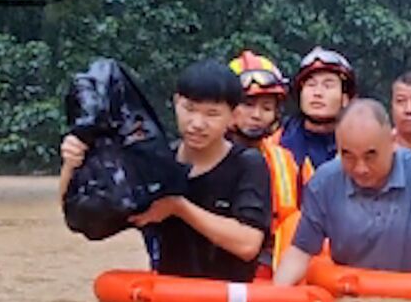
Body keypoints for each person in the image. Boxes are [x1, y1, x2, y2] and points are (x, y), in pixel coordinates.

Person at [60, 60, 271, 281]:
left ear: (233, 116)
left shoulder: (248, 164)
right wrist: (72, 164)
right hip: (166, 297)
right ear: (176, 103)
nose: (197, 123)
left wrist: (178, 207)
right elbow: (82, 222)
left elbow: (248, 244)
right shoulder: (154, 160)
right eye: (189, 109)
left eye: (212, 114)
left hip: (227, 298)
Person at [273, 99, 411, 292]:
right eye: (348, 155)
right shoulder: (324, 183)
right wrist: (275, 295)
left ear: (392, 141)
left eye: (371, 155)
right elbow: (300, 252)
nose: (360, 168)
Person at [227, 50, 302, 275]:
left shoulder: (285, 161)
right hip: (213, 266)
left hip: (271, 270)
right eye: (248, 104)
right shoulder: (203, 155)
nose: (257, 115)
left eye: (267, 108)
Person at [279, 47, 356, 184]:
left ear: (345, 98)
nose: (317, 93)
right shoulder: (276, 142)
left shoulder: (361, 144)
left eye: (328, 86)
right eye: (311, 84)